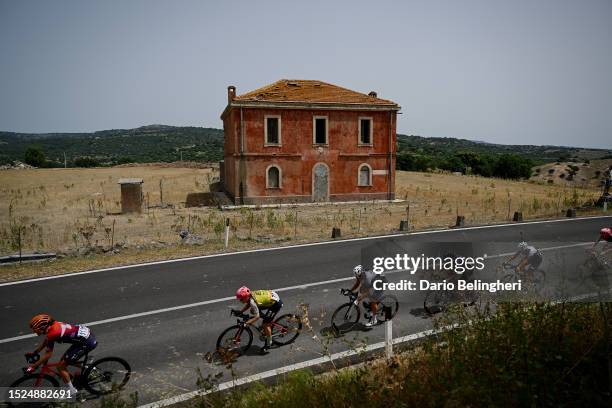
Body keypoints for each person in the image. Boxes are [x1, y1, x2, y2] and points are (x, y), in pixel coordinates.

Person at [26, 314, 97, 394]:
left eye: (35, 329)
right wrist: (36, 352)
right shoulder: (52, 326)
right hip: (83, 339)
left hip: (86, 342)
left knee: (60, 367)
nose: (34, 331)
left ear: (42, 327)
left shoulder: (53, 332)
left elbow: (48, 355)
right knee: (64, 361)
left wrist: (34, 366)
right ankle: (88, 368)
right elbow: (47, 340)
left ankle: (73, 391)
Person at [235, 286, 282, 354]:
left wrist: (246, 323)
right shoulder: (250, 296)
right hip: (270, 297)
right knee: (252, 310)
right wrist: (241, 311)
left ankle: (269, 343)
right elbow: (249, 304)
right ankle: (266, 320)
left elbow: (257, 316)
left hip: (276, 304)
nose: (240, 301)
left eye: (241, 299)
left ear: (246, 297)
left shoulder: (252, 301)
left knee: (265, 324)